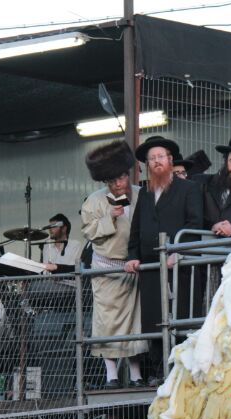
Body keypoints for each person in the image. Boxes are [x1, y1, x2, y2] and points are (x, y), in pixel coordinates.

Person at [125, 135, 202, 384]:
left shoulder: (188, 189)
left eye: (161, 157)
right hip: (151, 268)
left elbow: (194, 225)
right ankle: (159, 371)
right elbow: (136, 230)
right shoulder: (146, 194)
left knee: (178, 318)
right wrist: (133, 257)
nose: (157, 162)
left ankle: (180, 370)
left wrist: (178, 251)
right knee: (154, 321)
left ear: (170, 160)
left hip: (179, 267)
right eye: (152, 159)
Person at [81, 140, 148, 389]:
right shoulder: (94, 201)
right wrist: (109, 217)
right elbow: (89, 232)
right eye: (110, 182)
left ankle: (135, 374)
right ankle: (111, 375)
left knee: (135, 321)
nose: (117, 185)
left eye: (119, 179)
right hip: (107, 269)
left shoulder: (142, 195)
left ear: (127, 174)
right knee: (106, 321)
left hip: (133, 267)